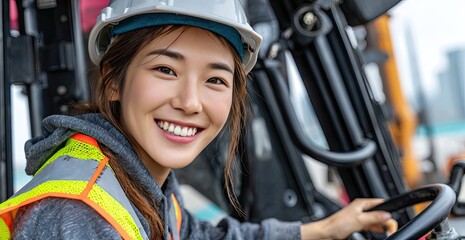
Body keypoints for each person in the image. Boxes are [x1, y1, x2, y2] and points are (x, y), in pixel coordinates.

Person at [0, 0, 397, 239]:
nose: (191, 103)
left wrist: (324, 230)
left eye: (215, 80)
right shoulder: (76, 215)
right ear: (113, 81)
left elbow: (202, 235)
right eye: (166, 71)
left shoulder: (139, 186)